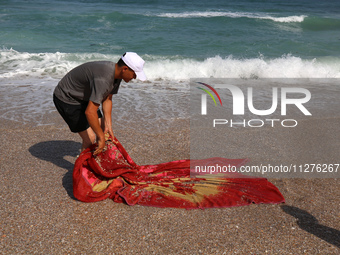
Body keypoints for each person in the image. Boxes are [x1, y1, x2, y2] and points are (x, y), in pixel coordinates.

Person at [53, 52, 147, 155]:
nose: (135, 77)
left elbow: (107, 98)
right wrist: (100, 137)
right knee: (90, 139)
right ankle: (82, 169)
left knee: (104, 130)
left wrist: (108, 124)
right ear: (125, 69)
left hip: (84, 96)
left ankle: (97, 160)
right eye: (135, 74)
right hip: (67, 98)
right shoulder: (104, 79)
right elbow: (90, 112)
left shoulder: (117, 74)